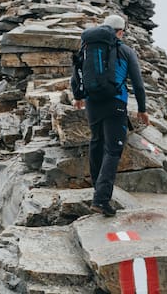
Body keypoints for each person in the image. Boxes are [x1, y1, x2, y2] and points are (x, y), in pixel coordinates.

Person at [70, 14, 149, 216]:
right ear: (120, 32)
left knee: (96, 142)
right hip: (115, 104)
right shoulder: (125, 51)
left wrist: (78, 95)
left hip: (92, 102)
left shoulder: (88, 46)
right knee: (113, 150)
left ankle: (97, 189)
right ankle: (101, 200)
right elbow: (138, 84)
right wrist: (142, 109)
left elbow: (76, 70)